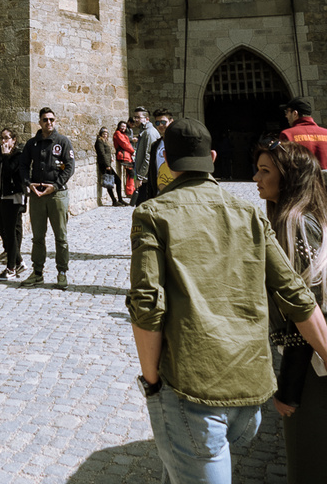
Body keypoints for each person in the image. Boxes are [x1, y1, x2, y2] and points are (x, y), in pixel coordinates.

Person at [128, 116, 327, 484]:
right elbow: (298, 295)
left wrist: (152, 383)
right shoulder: (249, 213)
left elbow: (146, 306)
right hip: (250, 388)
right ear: (214, 158)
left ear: (168, 163)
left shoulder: (152, 214)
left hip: (193, 388)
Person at [253, 140, 327, 483]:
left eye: (265, 171)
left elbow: (306, 305)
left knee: (309, 457)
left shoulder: (293, 221)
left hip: (313, 364)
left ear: (289, 177)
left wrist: (290, 387)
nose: (255, 177)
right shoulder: (300, 216)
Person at [19, 107, 75, 289]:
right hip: (37, 195)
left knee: (61, 236)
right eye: (45, 120)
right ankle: (37, 273)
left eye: (51, 119)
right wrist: (29, 183)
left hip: (57, 195)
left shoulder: (63, 142)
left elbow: (70, 167)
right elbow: (23, 165)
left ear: (55, 121)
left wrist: (56, 186)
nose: (48, 122)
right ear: (40, 122)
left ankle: (62, 272)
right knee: (37, 237)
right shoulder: (32, 144)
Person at [0, 127, 27, 279]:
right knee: (4, 229)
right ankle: (19, 262)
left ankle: (11, 267)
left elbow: (11, 171)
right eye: (2, 138)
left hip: (15, 196)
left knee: (11, 232)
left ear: (13, 140)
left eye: (6, 138)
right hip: (3, 194)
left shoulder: (19, 154)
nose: (3, 141)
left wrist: (5, 157)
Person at [279, 98, 327, 169]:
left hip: (302, 179)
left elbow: (284, 166)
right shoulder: (325, 133)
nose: (286, 116)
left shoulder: (287, 134)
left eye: (287, 112)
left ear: (295, 113)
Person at [132, 107, 158, 205]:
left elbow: (148, 156)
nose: (136, 120)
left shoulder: (149, 133)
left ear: (147, 119)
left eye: (138, 117)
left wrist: (140, 177)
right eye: (135, 117)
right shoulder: (144, 132)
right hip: (144, 179)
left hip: (147, 180)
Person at [145, 110, 173, 200]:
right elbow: (152, 172)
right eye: (157, 122)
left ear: (171, 121)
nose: (160, 125)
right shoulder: (155, 146)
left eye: (163, 122)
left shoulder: (178, 143)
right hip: (158, 195)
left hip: (175, 193)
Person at [94, 127, 123, 205]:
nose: (105, 135)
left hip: (107, 163)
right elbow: (102, 153)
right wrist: (107, 165)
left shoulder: (105, 141)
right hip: (104, 165)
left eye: (106, 134)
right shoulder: (99, 142)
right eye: (104, 134)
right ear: (101, 134)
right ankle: (114, 200)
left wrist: (110, 158)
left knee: (117, 181)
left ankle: (120, 199)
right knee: (109, 183)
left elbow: (107, 153)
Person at [113, 120, 135, 199]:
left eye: (125, 127)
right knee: (130, 173)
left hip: (126, 155)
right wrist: (133, 151)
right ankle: (130, 192)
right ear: (119, 126)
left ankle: (131, 191)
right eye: (122, 126)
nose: (123, 128)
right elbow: (124, 144)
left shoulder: (123, 134)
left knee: (131, 173)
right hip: (123, 156)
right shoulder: (118, 134)